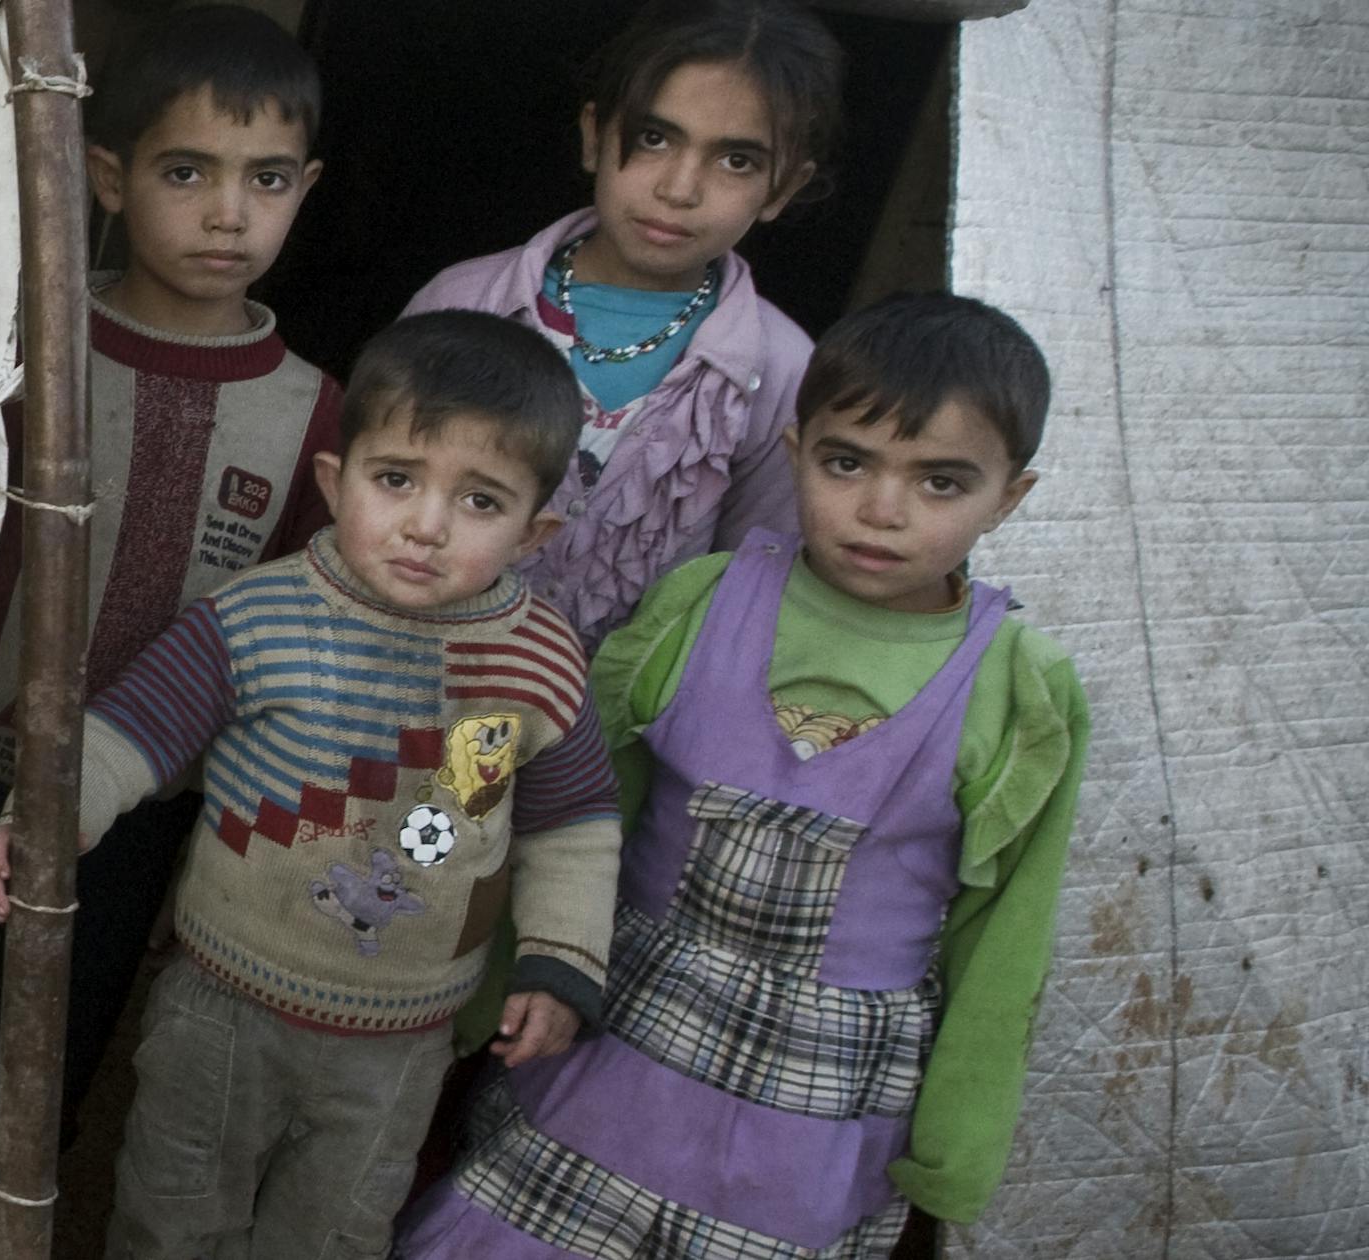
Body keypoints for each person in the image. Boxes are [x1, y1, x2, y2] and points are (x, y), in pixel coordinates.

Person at [392, 294, 1091, 1258]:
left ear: (1009, 495)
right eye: (847, 462)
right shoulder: (699, 602)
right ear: (797, 448)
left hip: (813, 1116)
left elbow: (1007, 932)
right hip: (610, 1045)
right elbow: (573, 811)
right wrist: (487, 984)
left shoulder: (1021, 687)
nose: (882, 510)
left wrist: (959, 1144)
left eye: (941, 482)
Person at [0, 311, 623, 1259]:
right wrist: (46, 816)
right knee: (171, 1217)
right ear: (336, 479)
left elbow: (575, 826)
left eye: (481, 502)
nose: (427, 526)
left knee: (335, 1235)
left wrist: (563, 962)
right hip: (222, 1008)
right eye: (396, 479)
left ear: (535, 532)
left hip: (404, 1041)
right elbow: (131, 730)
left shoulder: (537, 663)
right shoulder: (258, 614)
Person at [0, 1, 345, 1143]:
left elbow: (293, 637)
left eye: (268, 180)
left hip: (140, 816)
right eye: (188, 171)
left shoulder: (314, 413)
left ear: (306, 189)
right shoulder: (23, 346)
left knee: (49, 1057)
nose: (229, 214)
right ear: (110, 178)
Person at [400, 0, 847, 644]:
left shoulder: (779, 370)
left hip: (618, 730)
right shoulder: (466, 301)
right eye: (654, 138)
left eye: (737, 161)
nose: (680, 187)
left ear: (783, 188)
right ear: (593, 136)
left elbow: (752, 593)